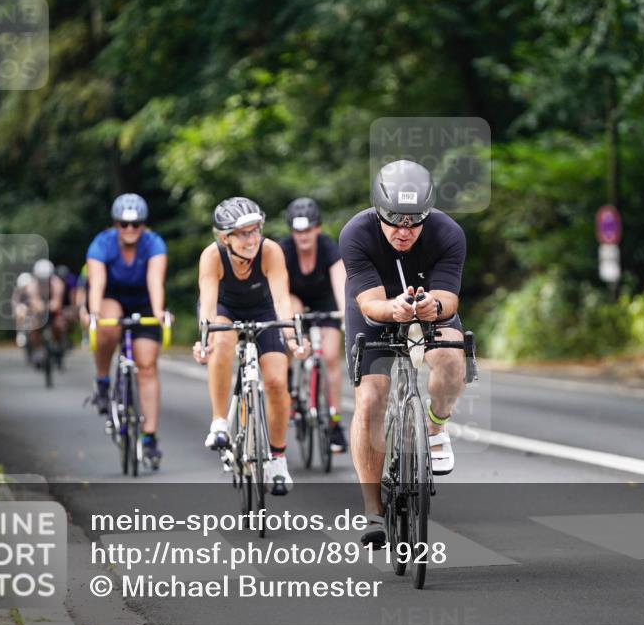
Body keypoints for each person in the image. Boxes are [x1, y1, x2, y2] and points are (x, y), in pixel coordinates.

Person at [339, 159, 467, 547]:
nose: (403, 229)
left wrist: (434, 308)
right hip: (376, 309)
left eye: (414, 219)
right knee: (372, 397)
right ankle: (371, 509)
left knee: (451, 357)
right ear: (378, 210)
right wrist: (393, 309)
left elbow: (448, 296)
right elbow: (370, 305)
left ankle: (434, 427)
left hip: (428, 308)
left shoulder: (449, 233)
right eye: (393, 218)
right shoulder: (356, 233)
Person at [192, 197, 306, 496]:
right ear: (224, 237)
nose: (251, 239)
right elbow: (207, 303)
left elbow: (282, 299)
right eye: (242, 234)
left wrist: (292, 338)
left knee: (276, 382)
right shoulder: (212, 256)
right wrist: (204, 339)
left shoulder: (270, 251)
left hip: (264, 311)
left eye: (255, 230)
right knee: (223, 339)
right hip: (224, 310)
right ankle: (219, 422)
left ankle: (278, 459)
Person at [82, 193, 168, 466]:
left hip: (143, 302)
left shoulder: (154, 244)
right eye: (123, 224)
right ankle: (103, 379)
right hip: (112, 299)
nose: (129, 230)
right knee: (109, 321)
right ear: (115, 224)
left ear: (143, 225)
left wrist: (158, 313)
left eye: (136, 224)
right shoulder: (102, 244)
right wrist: (93, 314)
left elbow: (156, 281)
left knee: (147, 365)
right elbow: (96, 282)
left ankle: (150, 437)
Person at [280, 197, 348, 452]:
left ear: (317, 228)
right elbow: (279, 290)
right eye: (297, 231)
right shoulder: (284, 250)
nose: (303, 237)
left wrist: (344, 314)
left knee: (330, 357)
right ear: (291, 232)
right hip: (294, 299)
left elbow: (341, 282)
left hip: (324, 301)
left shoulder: (329, 247)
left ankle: (334, 423)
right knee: (291, 321)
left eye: (307, 230)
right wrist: (287, 322)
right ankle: (287, 387)